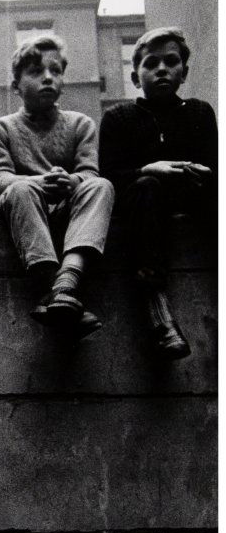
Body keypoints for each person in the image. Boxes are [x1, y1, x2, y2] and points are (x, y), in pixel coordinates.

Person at [0, 33, 114, 337]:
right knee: (20, 189)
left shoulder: (81, 124)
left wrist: (71, 181)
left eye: (56, 71)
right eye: (36, 71)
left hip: (68, 217)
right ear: (16, 85)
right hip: (22, 217)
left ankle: (66, 283)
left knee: (102, 186)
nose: (48, 78)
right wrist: (40, 182)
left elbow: (89, 174)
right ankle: (52, 286)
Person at [99, 27, 217, 359]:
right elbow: (107, 178)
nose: (161, 69)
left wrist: (202, 172)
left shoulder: (199, 112)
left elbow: (214, 167)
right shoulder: (118, 118)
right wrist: (151, 169)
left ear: (184, 72)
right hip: (144, 206)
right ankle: (159, 315)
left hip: (192, 198)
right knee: (147, 187)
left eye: (170, 61)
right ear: (136, 77)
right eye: (151, 63)